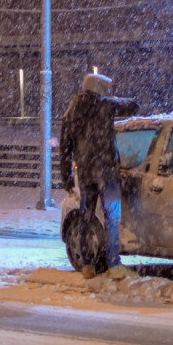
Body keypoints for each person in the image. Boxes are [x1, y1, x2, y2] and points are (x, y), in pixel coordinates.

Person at [59, 72, 140, 279]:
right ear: (100, 91)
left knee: (86, 217)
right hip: (106, 171)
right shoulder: (104, 105)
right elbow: (134, 106)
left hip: (86, 173)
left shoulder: (70, 113)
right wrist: (112, 100)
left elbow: (64, 149)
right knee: (112, 217)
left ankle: (87, 265)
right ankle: (113, 264)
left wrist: (67, 178)